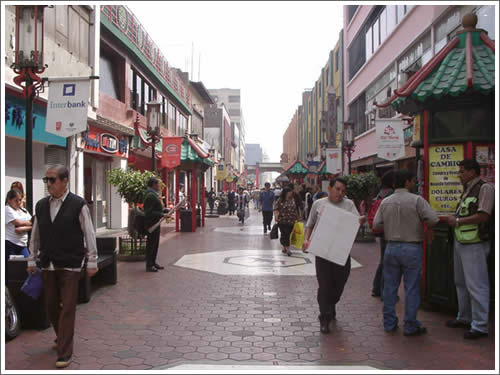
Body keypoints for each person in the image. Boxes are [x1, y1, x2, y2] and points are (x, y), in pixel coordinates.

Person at [27, 164, 98, 368]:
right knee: (50, 305)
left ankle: (65, 351)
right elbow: (35, 235)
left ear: (65, 181)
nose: (48, 184)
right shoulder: (41, 206)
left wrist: (92, 261)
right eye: (46, 180)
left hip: (71, 264)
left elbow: (89, 233)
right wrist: (32, 259)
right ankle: (62, 335)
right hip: (48, 263)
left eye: (52, 180)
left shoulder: (78, 204)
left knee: (67, 307)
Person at [373, 169, 439, 337]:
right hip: (412, 247)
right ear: (408, 182)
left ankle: (389, 323)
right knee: (411, 288)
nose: (414, 183)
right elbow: (433, 219)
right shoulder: (417, 200)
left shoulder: (385, 202)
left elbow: (376, 224)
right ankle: (410, 325)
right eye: (413, 180)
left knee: (390, 288)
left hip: (391, 247)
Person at [303, 177, 365, 334]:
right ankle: (325, 317)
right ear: (329, 188)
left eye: (343, 191)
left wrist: (361, 221)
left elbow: (355, 223)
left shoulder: (349, 204)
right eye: (337, 189)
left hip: (341, 254)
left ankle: (330, 305)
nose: (340, 193)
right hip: (323, 254)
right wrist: (306, 240)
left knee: (338, 286)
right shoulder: (319, 204)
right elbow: (309, 225)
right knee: (324, 286)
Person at [443, 159, 494, 340]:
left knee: (477, 284)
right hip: (461, 240)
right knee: (461, 282)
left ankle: (479, 325)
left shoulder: (485, 188)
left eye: (462, 171)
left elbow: (483, 216)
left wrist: (457, 221)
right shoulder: (468, 189)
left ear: (473, 172)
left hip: (475, 242)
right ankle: (464, 317)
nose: (460, 174)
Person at [371, 170, 396, 298]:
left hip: (381, 229)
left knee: (383, 260)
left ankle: (377, 287)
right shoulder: (390, 194)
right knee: (387, 261)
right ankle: (382, 289)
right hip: (388, 230)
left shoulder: (381, 192)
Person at [144, 177, 171, 272]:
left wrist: (164, 211)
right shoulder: (150, 196)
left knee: (155, 243)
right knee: (151, 244)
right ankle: (149, 264)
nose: (159, 186)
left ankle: (153, 262)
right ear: (153, 185)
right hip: (152, 223)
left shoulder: (154, 195)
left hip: (156, 222)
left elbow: (156, 208)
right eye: (157, 184)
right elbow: (148, 212)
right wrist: (162, 214)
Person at [5, 189, 32, 277]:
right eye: (15, 200)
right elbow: (17, 223)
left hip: (22, 244)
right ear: (9, 200)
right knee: (10, 269)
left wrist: (22, 228)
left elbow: (34, 222)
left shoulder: (23, 210)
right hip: (10, 243)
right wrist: (28, 224)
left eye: (20, 200)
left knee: (28, 265)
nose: (18, 202)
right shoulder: (7, 209)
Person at [273, 187, 298, 256]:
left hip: (291, 221)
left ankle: (284, 247)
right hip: (282, 221)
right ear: (285, 193)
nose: (291, 193)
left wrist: (297, 217)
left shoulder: (292, 199)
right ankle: (288, 249)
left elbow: (295, 209)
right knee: (285, 234)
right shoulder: (280, 200)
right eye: (289, 192)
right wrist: (276, 216)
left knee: (288, 235)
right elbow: (275, 208)